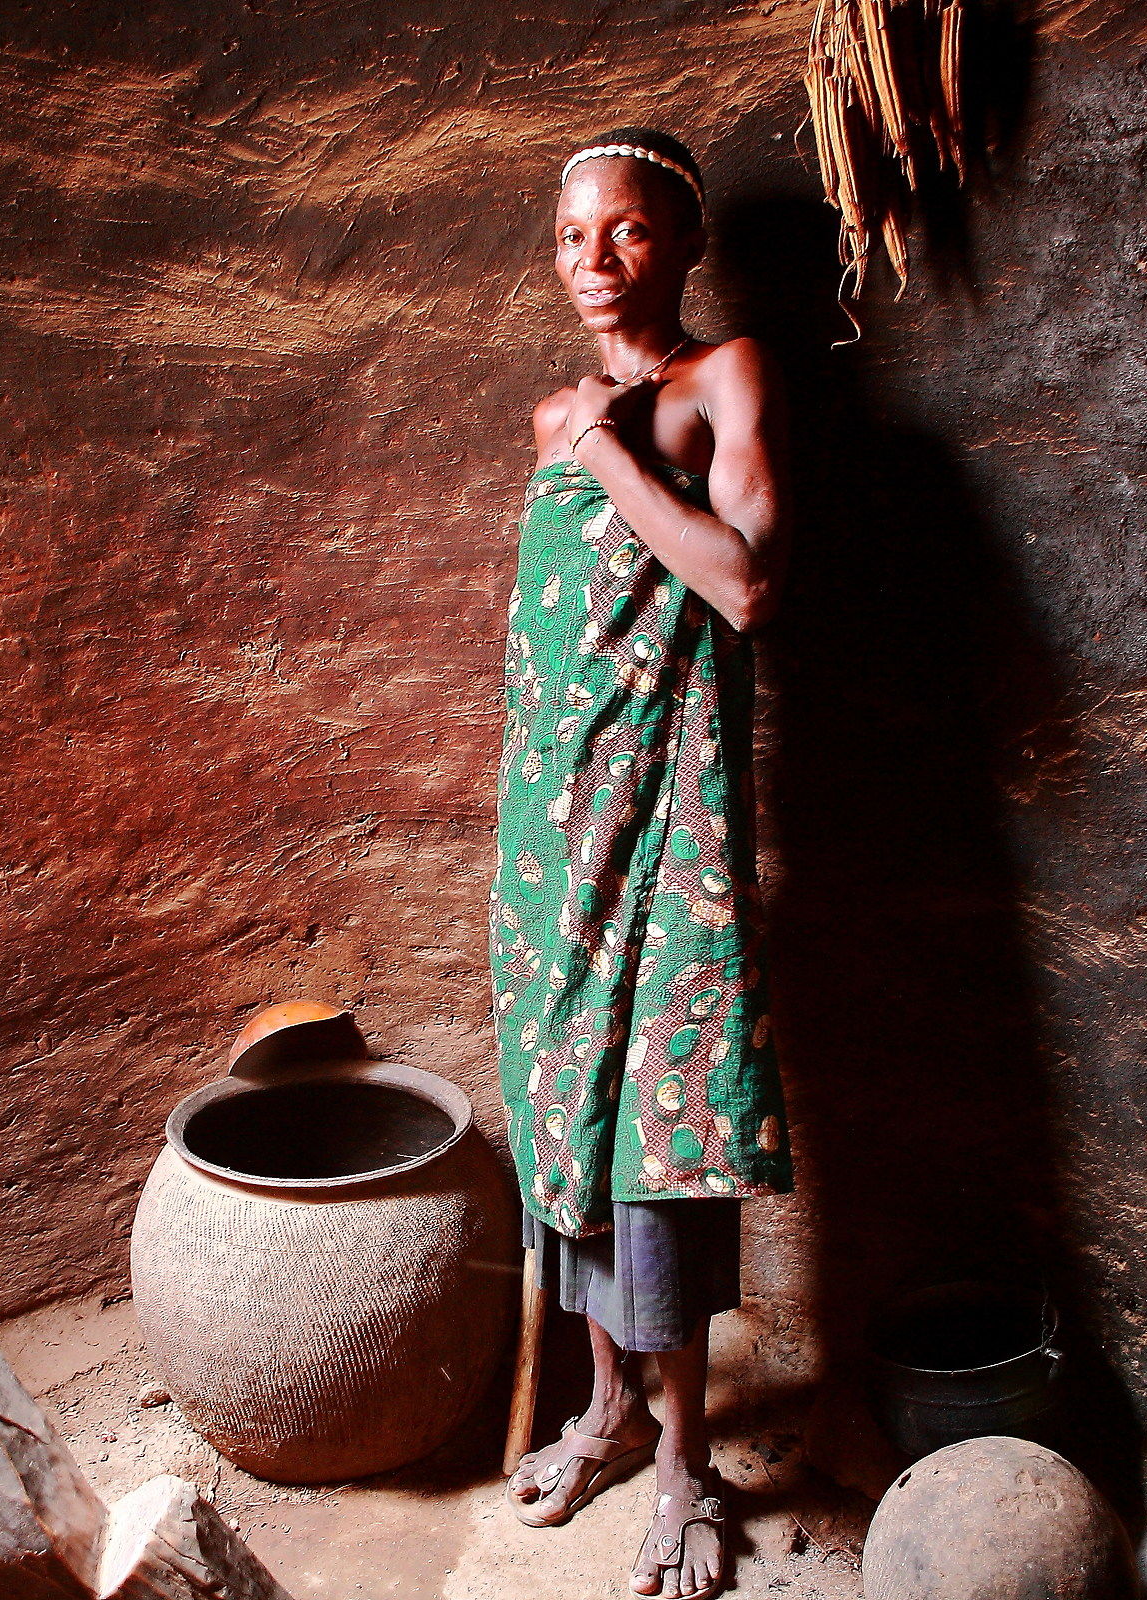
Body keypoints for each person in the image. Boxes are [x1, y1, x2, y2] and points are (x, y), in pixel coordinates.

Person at [492, 127, 792, 1600]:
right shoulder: (551, 409)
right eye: (569, 237)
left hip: (671, 817)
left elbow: (740, 583)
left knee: (661, 1125)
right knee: (569, 1111)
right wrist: (583, 432)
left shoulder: (716, 378)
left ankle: (684, 1455)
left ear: (677, 243)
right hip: (556, 826)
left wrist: (610, 445)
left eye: (622, 232)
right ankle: (606, 1407)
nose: (592, 261)